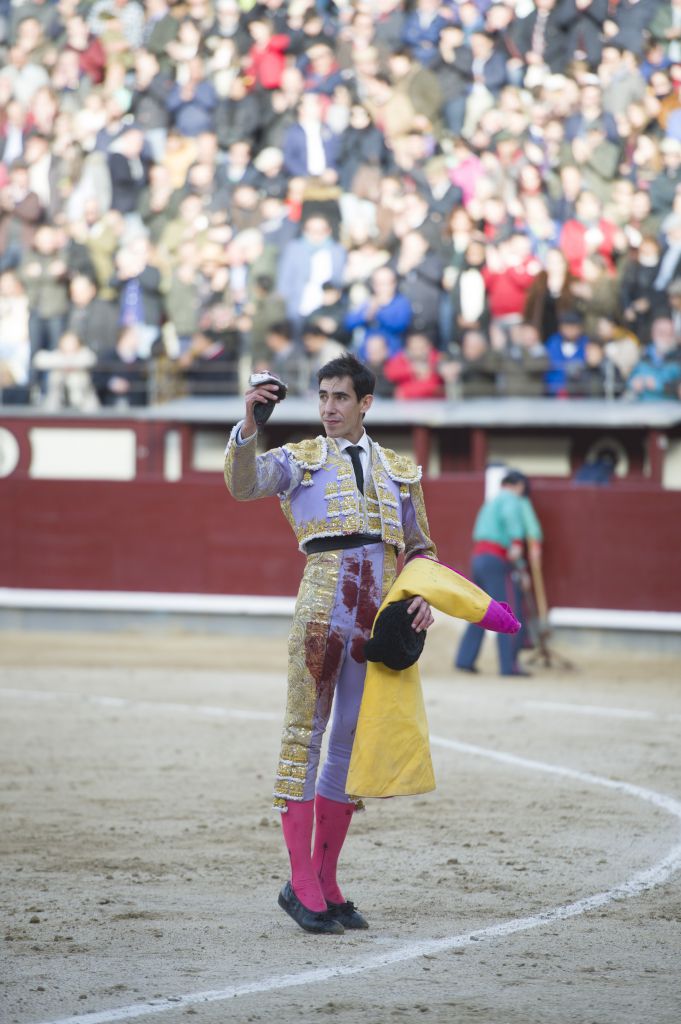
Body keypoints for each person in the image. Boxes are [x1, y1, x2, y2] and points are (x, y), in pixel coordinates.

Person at [224, 353, 437, 934]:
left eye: (340, 397)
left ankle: (326, 878)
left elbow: (420, 550)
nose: (328, 408)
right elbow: (243, 484)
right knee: (305, 737)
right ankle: (301, 883)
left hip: (376, 619)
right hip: (323, 608)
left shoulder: (400, 471)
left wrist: (422, 594)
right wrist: (249, 427)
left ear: (365, 403)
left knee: (347, 743)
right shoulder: (300, 459)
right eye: (322, 397)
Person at [454, 471, 532, 677]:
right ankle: (510, 665)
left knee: (479, 609)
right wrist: (518, 549)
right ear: (518, 486)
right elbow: (512, 523)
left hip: (479, 559)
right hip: (497, 560)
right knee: (508, 610)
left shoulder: (490, 502)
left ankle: (465, 659)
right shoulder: (511, 500)